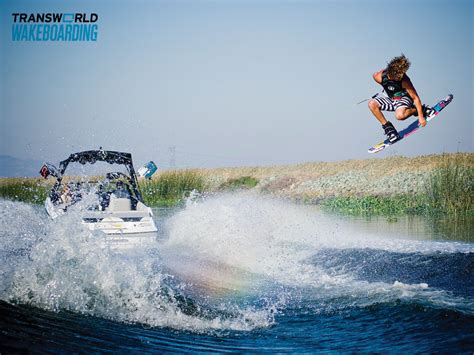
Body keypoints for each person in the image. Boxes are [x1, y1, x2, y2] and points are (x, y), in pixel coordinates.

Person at [368, 54, 432, 143]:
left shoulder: (404, 80)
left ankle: (419, 110)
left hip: (404, 98)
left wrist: (421, 117)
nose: (400, 77)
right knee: (372, 104)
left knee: (400, 116)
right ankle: (389, 130)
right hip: (391, 100)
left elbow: (415, 98)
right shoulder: (378, 76)